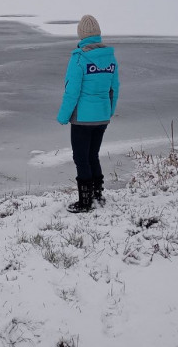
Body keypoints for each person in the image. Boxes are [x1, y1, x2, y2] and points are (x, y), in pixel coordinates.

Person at [56, 14, 119, 213]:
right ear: (98, 34)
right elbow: (114, 89)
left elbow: (71, 90)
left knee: (81, 158)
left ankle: (85, 202)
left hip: (83, 119)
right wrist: (109, 112)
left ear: (81, 35)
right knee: (93, 155)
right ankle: (97, 196)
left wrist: (63, 116)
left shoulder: (79, 58)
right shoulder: (110, 58)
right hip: (101, 116)